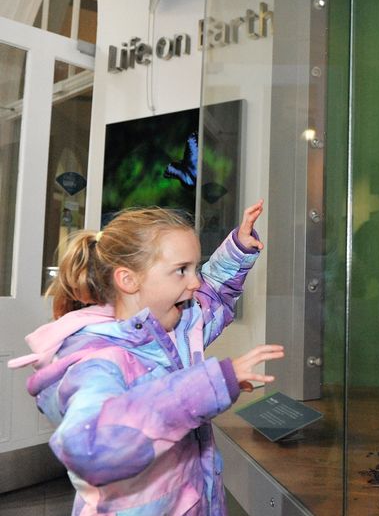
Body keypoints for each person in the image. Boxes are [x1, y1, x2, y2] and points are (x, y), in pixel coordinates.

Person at [8, 199, 283, 515]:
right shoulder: (97, 360)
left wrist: (237, 249)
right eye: (181, 270)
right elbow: (93, 447)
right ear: (128, 280)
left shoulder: (177, 328)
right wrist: (206, 387)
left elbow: (213, 293)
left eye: (195, 268)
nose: (194, 281)